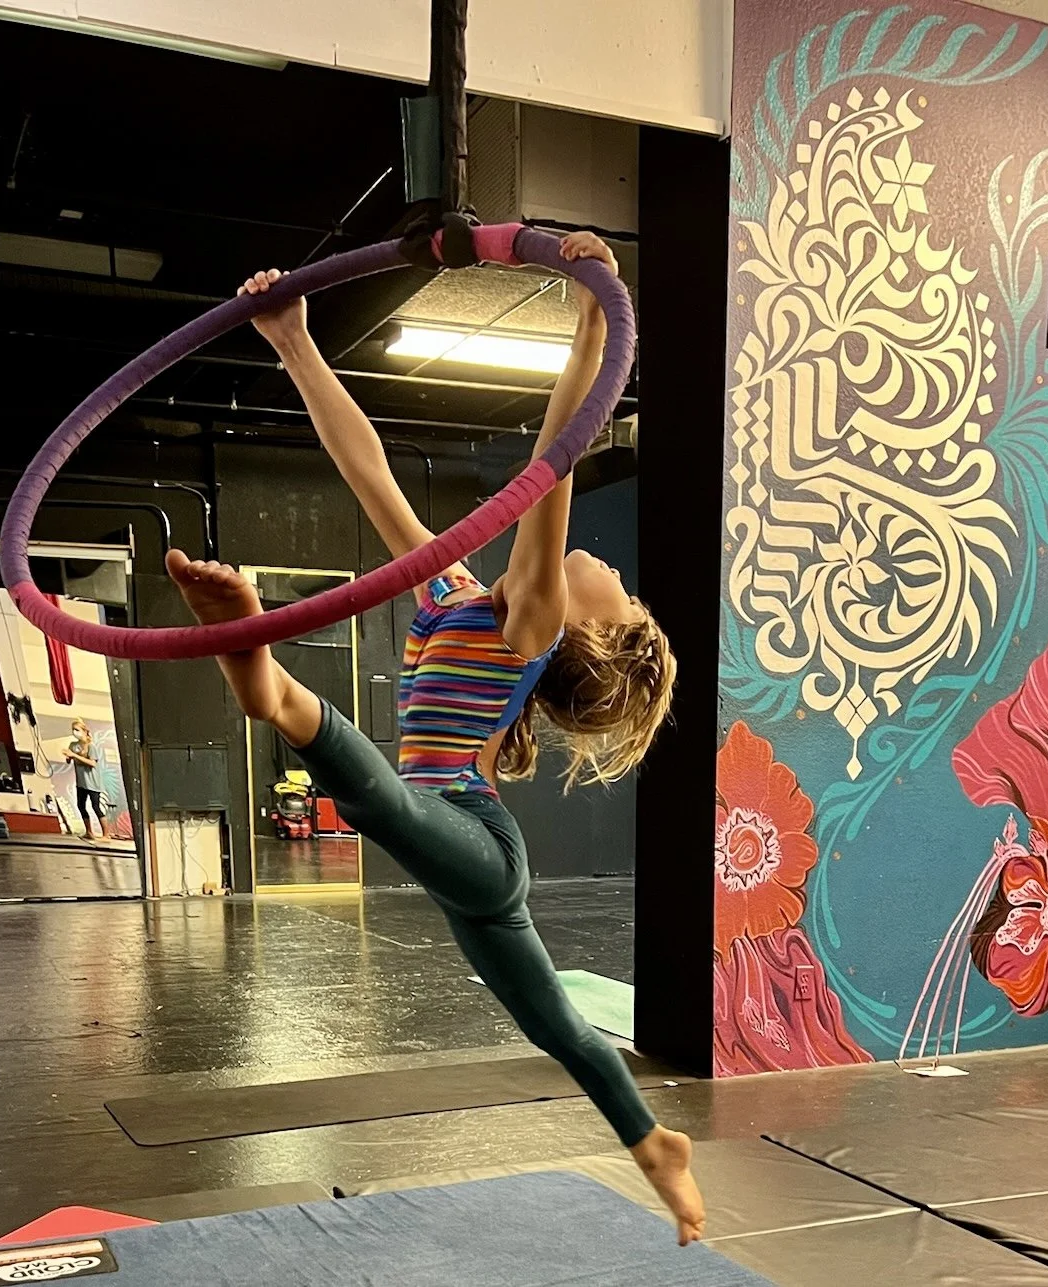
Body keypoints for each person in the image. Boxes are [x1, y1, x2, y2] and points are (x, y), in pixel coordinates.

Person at [165, 233, 705, 1245]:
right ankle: (653, 1144)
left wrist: (593, 319)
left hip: (456, 823)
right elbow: (368, 470)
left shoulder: (532, 619)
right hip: (478, 850)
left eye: (622, 589)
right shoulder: (458, 588)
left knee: (395, 817)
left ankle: (265, 681)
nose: (608, 567)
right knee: (556, 1023)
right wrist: (293, 343)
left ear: (588, 626)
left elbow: (554, 467)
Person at [64, 718, 106, 840]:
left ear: (84, 731)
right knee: (81, 805)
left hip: (93, 782)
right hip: (81, 782)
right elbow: (69, 760)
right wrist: (68, 756)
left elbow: (92, 763)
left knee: (95, 806)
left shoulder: (91, 746)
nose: (75, 732)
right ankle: (89, 831)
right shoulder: (73, 745)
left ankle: (106, 833)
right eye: (73, 730)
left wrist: (74, 755)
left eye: (77, 730)